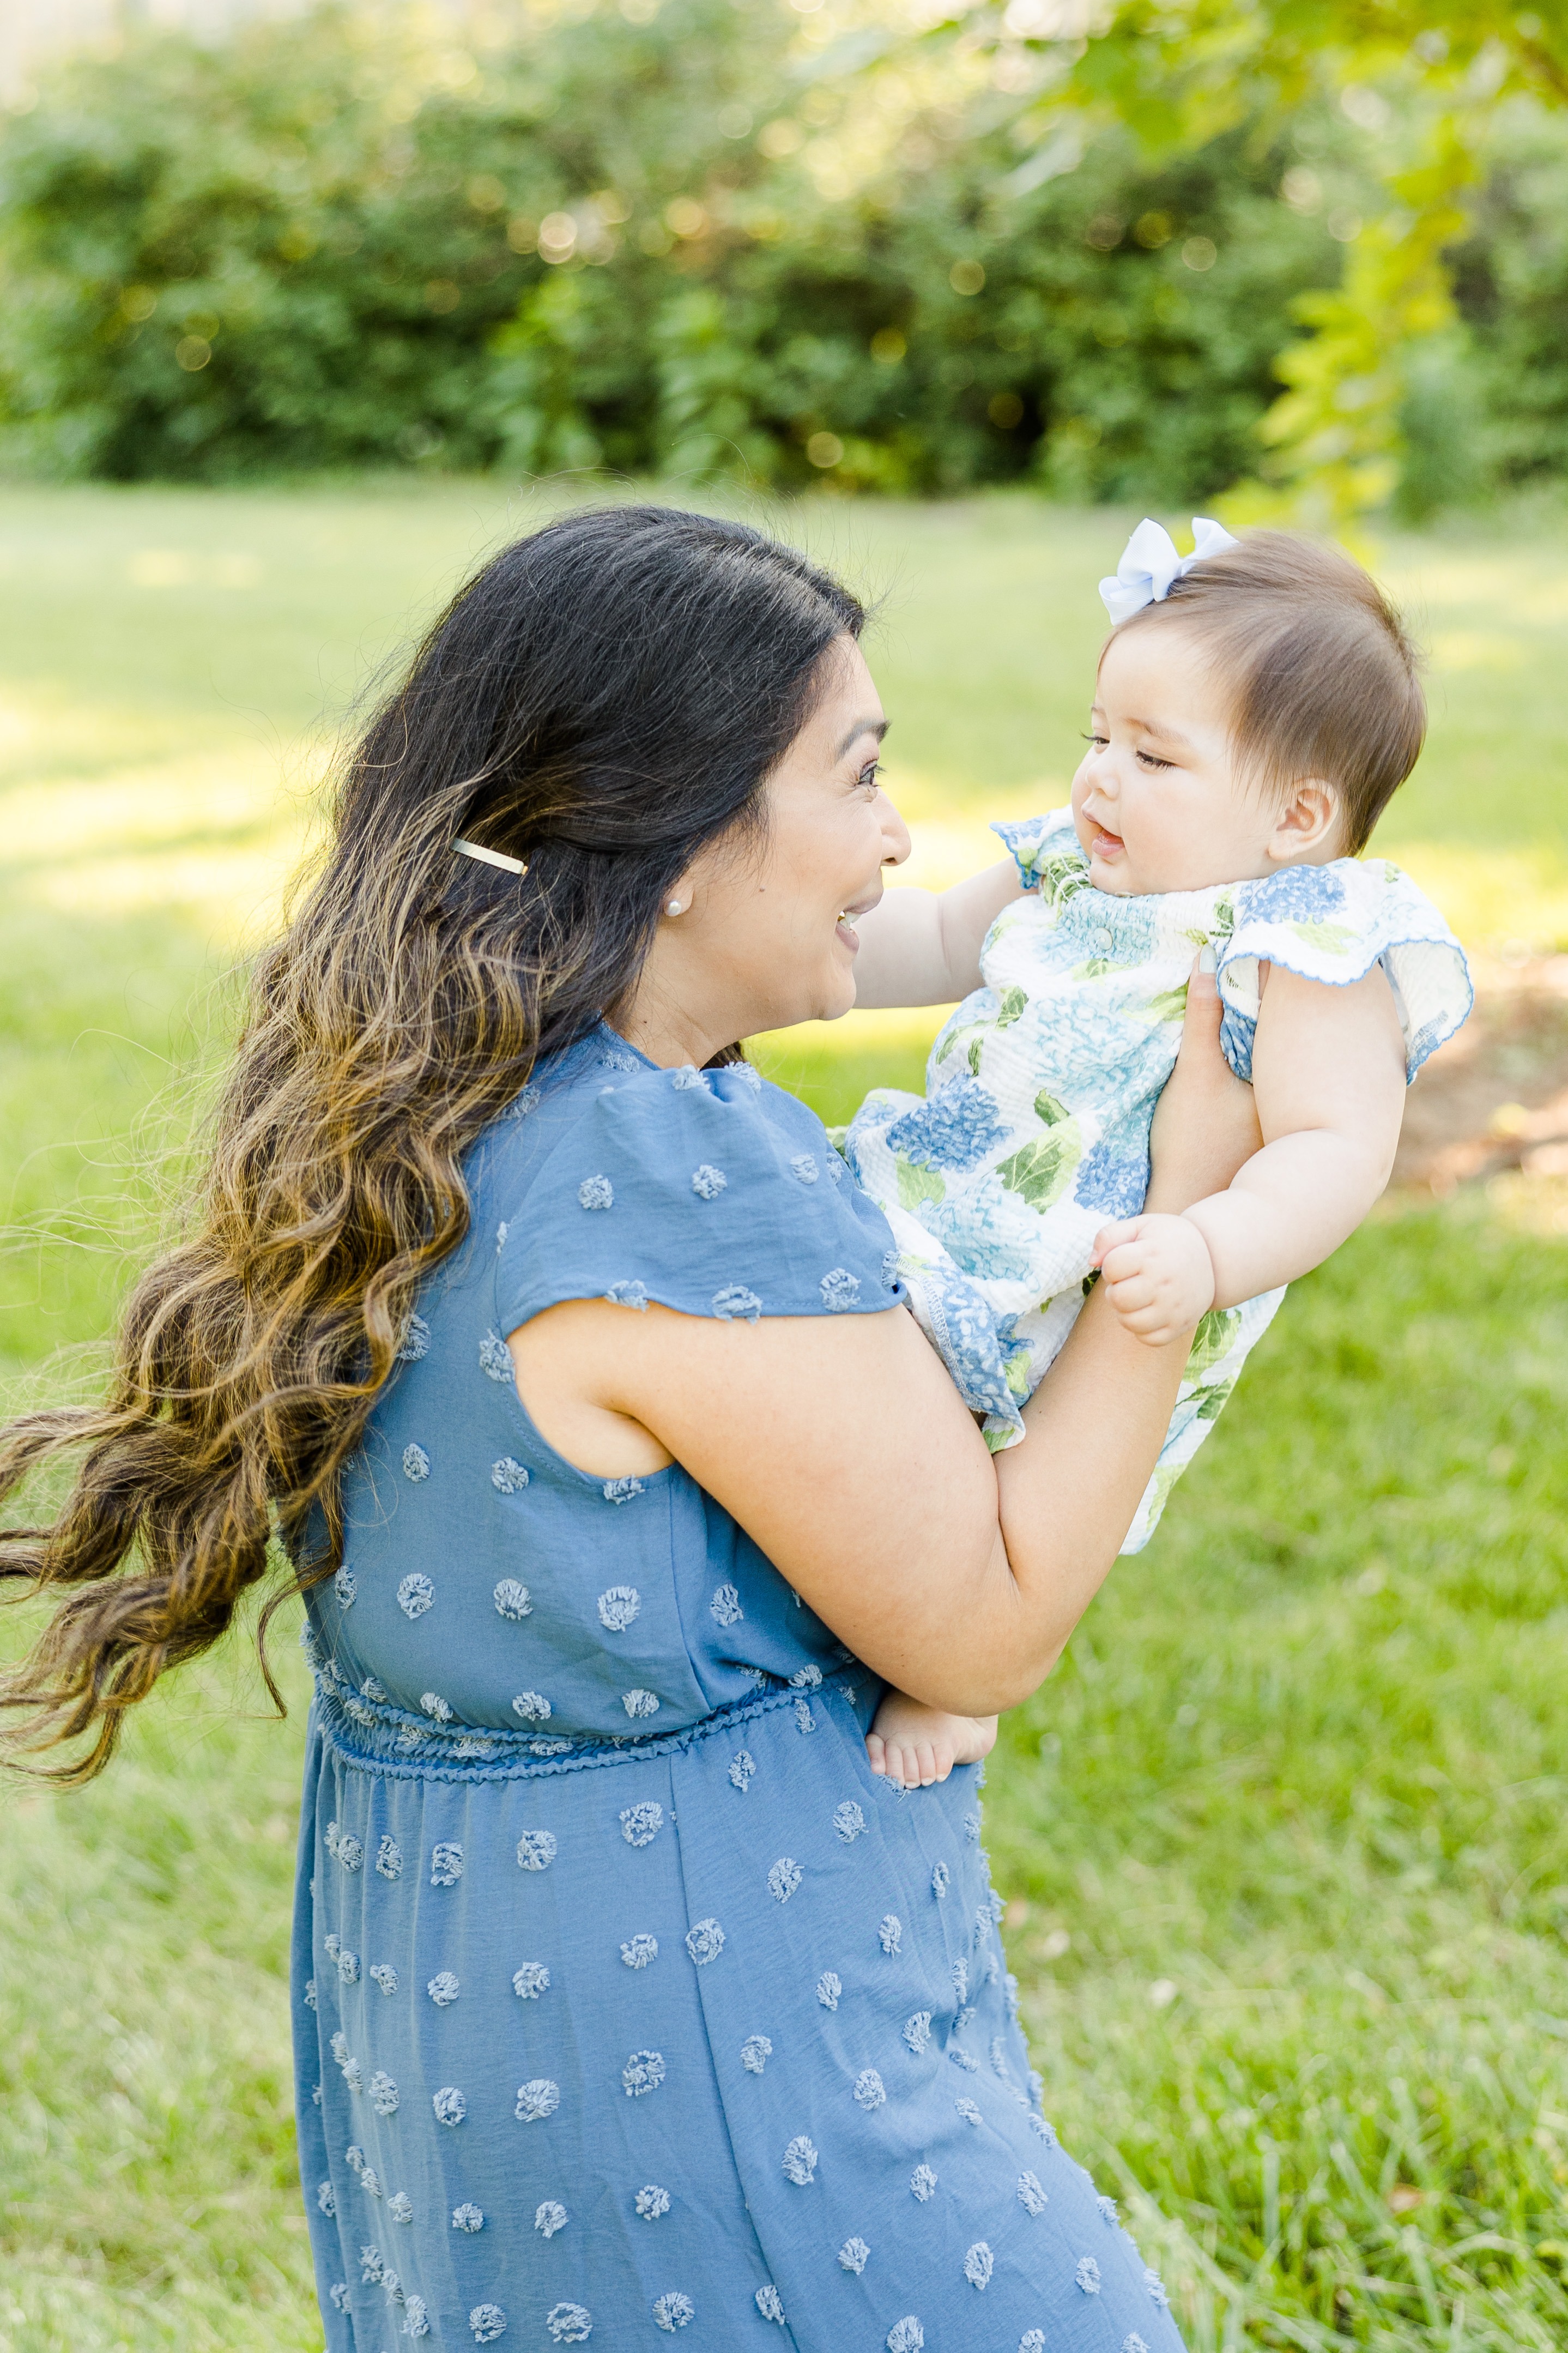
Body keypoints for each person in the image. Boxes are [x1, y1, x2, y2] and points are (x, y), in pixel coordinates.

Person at [1, 505, 1261, 2352]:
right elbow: (983, 1616)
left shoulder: (439, 1097)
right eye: (856, 773)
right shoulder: (675, 1177)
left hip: (490, 2039)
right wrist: (1181, 1225)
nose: (897, 834)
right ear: (676, 846)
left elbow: (962, 920)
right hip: (739, 2070)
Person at [843, 520, 1472, 1603]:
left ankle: (949, 1680)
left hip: (1097, 1271)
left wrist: (1204, 1248)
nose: (1099, 780)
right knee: (840, 1416)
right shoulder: (1076, 861)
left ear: (1296, 814)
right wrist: (800, 949)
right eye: (1096, 738)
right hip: (947, 1187)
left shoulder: (1302, 935)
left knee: (998, 1482)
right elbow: (946, 939)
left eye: (1152, 756)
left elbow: (1336, 1144)